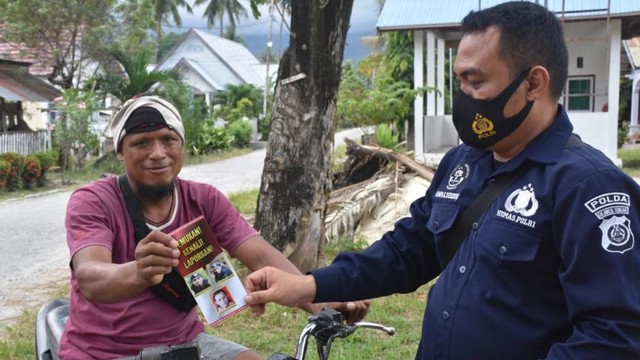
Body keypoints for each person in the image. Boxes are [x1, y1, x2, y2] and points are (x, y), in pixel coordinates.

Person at [243, 2, 640, 359]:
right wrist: (309, 286)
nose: (463, 97)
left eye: (476, 81)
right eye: (459, 81)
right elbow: (408, 251)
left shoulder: (588, 186)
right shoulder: (463, 162)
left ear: (533, 83)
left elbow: (614, 336)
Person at [58, 95, 369, 360]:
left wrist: (323, 299)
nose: (157, 153)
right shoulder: (93, 201)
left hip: (186, 346)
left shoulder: (204, 200)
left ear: (182, 145)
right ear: (120, 152)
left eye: (168, 139)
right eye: (141, 143)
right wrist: (137, 272)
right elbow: (90, 277)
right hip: (102, 352)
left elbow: (260, 255)